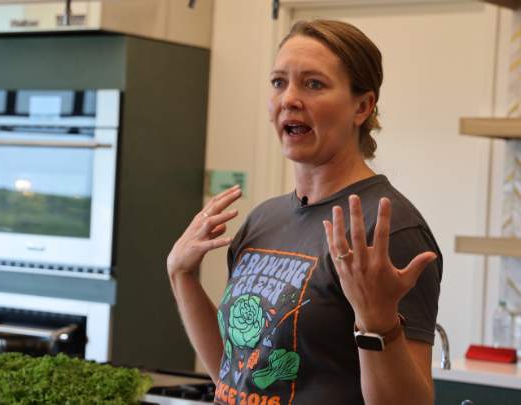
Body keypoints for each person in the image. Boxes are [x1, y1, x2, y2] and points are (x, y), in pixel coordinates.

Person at [167, 20, 442, 405]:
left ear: (362, 106)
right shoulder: (263, 220)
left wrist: (378, 324)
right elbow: (237, 375)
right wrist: (181, 275)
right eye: (279, 82)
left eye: (314, 84)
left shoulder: (386, 229)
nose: (288, 99)